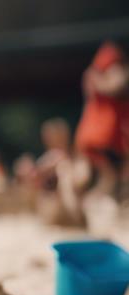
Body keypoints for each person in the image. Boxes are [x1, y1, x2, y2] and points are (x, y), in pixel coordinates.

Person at [75, 41, 129, 204]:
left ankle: (88, 204)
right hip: (103, 138)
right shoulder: (110, 71)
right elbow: (115, 85)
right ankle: (88, 205)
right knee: (108, 179)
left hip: (102, 138)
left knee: (109, 179)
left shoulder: (94, 74)